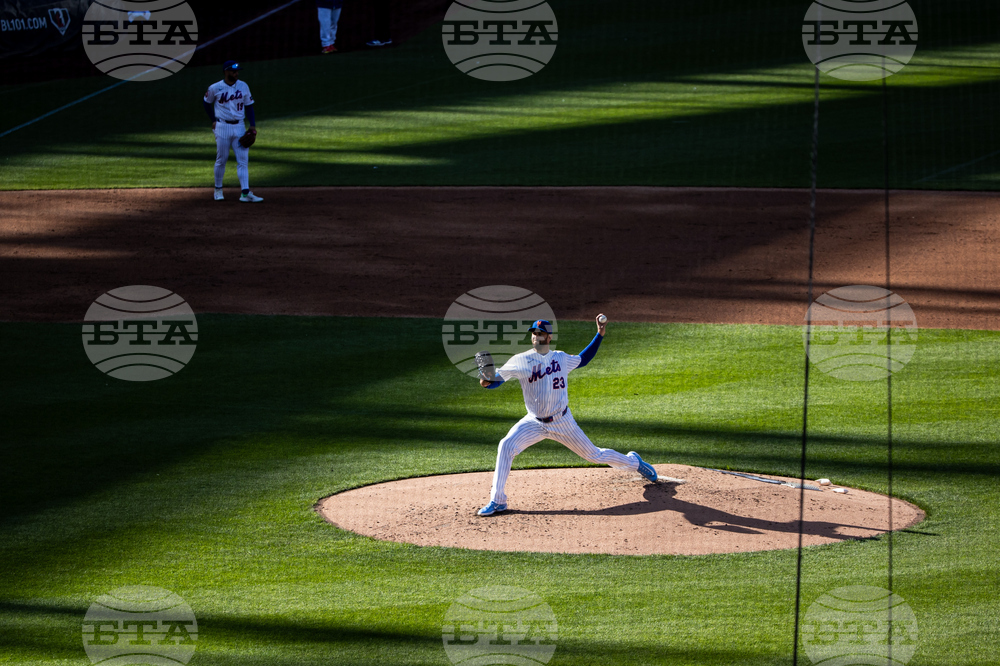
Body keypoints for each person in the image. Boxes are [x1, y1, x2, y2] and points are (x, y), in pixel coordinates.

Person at [476, 317, 657, 516]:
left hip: (563, 422)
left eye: (540, 334)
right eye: (534, 334)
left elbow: (584, 359)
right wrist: (486, 381)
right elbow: (495, 382)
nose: (536, 337)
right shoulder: (520, 361)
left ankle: (635, 462)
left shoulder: (561, 358)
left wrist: (600, 334)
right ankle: (498, 500)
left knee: (594, 455)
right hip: (533, 422)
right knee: (506, 445)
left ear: (549, 337)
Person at [202, 60, 262, 203]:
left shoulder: (243, 85)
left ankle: (245, 193)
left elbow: (249, 106)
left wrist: (252, 126)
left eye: (237, 71)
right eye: (234, 71)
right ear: (226, 72)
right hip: (222, 127)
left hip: (240, 127)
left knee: (243, 161)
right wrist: (213, 120)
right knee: (221, 159)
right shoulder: (215, 88)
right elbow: (206, 102)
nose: (236, 73)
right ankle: (218, 190)